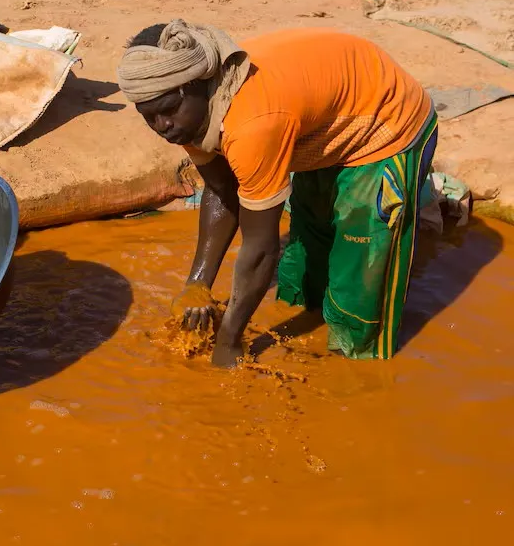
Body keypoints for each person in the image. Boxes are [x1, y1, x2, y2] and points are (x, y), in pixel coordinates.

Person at [118, 22, 437, 366]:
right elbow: (221, 188)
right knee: (303, 271)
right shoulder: (194, 112)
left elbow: (261, 249)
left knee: (359, 282)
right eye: (149, 117)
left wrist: (228, 342)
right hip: (323, 126)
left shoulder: (253, 124)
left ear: (197, 84)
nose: (162, 126)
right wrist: (197, 285)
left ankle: (357, 369)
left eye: (168, 110)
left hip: (385, 127)